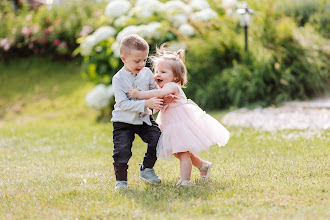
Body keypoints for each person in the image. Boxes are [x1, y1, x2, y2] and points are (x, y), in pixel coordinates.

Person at [129, 45, 230, 186]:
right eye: (156, 71)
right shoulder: (163, 88)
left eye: (163, 72)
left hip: (181, 124)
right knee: (179, 152)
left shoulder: (172, 86)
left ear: (175, 76)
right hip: (169, 125)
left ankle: (185, 181)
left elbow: (158, 94)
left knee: (182, 153)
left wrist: (139, 95)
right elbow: (157, 106)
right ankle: (203, 166)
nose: (157, 74)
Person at [111, 34, 165, 190]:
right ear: (123, 59)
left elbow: (155, 91)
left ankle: (147, 168)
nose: (141, 64)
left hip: (144, 119)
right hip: (123, 121)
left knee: (157, 138)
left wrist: (162, 96)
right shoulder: (118, 78)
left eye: (144, 60)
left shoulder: (147, 73)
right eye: (137, 61)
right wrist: (145, 103)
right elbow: (122, 103)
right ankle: (121, 181)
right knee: (122, 150)